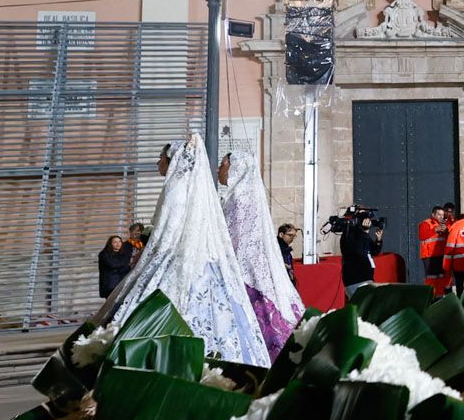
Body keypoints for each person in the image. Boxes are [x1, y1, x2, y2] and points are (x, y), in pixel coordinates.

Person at [88, 139, 268, 363]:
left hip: (176, 260)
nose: (157, 163)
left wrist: (146, 258)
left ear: (172, 161)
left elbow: (170, 231)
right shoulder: (194, 189)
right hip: (204, 265)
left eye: (160, 158)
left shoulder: (177, 189)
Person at [222, 155, 306, 359]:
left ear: (235, 169)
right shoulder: (245, 196)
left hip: (243, 268)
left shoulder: (239, 199)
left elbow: (233, 237)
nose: (218, 170)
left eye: (223, 165)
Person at [339, 210, 383, 300]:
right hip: (356, 280)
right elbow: (358, 251)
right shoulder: (349, 234)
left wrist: (378, 240)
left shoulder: (362, 234)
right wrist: (365, 233)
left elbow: (374, 251)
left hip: (366, 279)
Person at [417, 205, 449, 291]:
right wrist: (435, 229)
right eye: (439, 214)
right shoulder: (425, 223)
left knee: (441, 277)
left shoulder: (443, 225)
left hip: (440, 255)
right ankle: (430, 296)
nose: (441, 217)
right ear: (433, 214)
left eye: (442, 215)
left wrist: (446, 231)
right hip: (429, 255)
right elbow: (422, 236)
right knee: (431, 278)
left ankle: (439, 296)